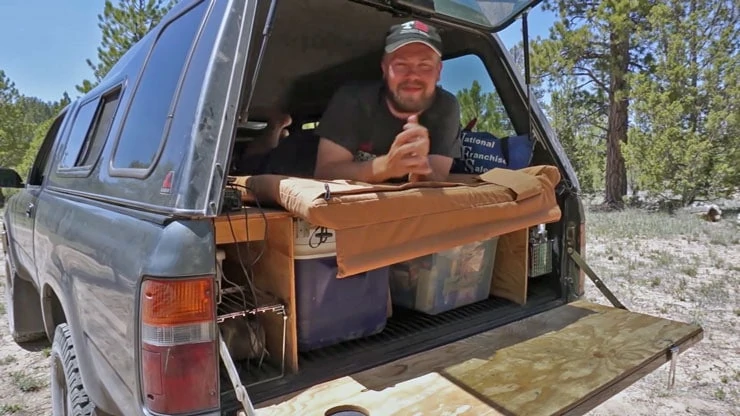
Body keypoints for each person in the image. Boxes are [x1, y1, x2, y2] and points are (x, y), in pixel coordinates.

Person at [313, 20, 462, 183]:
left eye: (424, 65)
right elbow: (325, 172)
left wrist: (420, 167)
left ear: (438, 71)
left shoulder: (446, 107)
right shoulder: (353, 99)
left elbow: (437, 178)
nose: (412, 75)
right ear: (384, 68)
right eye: (401, 65)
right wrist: (386, 166)